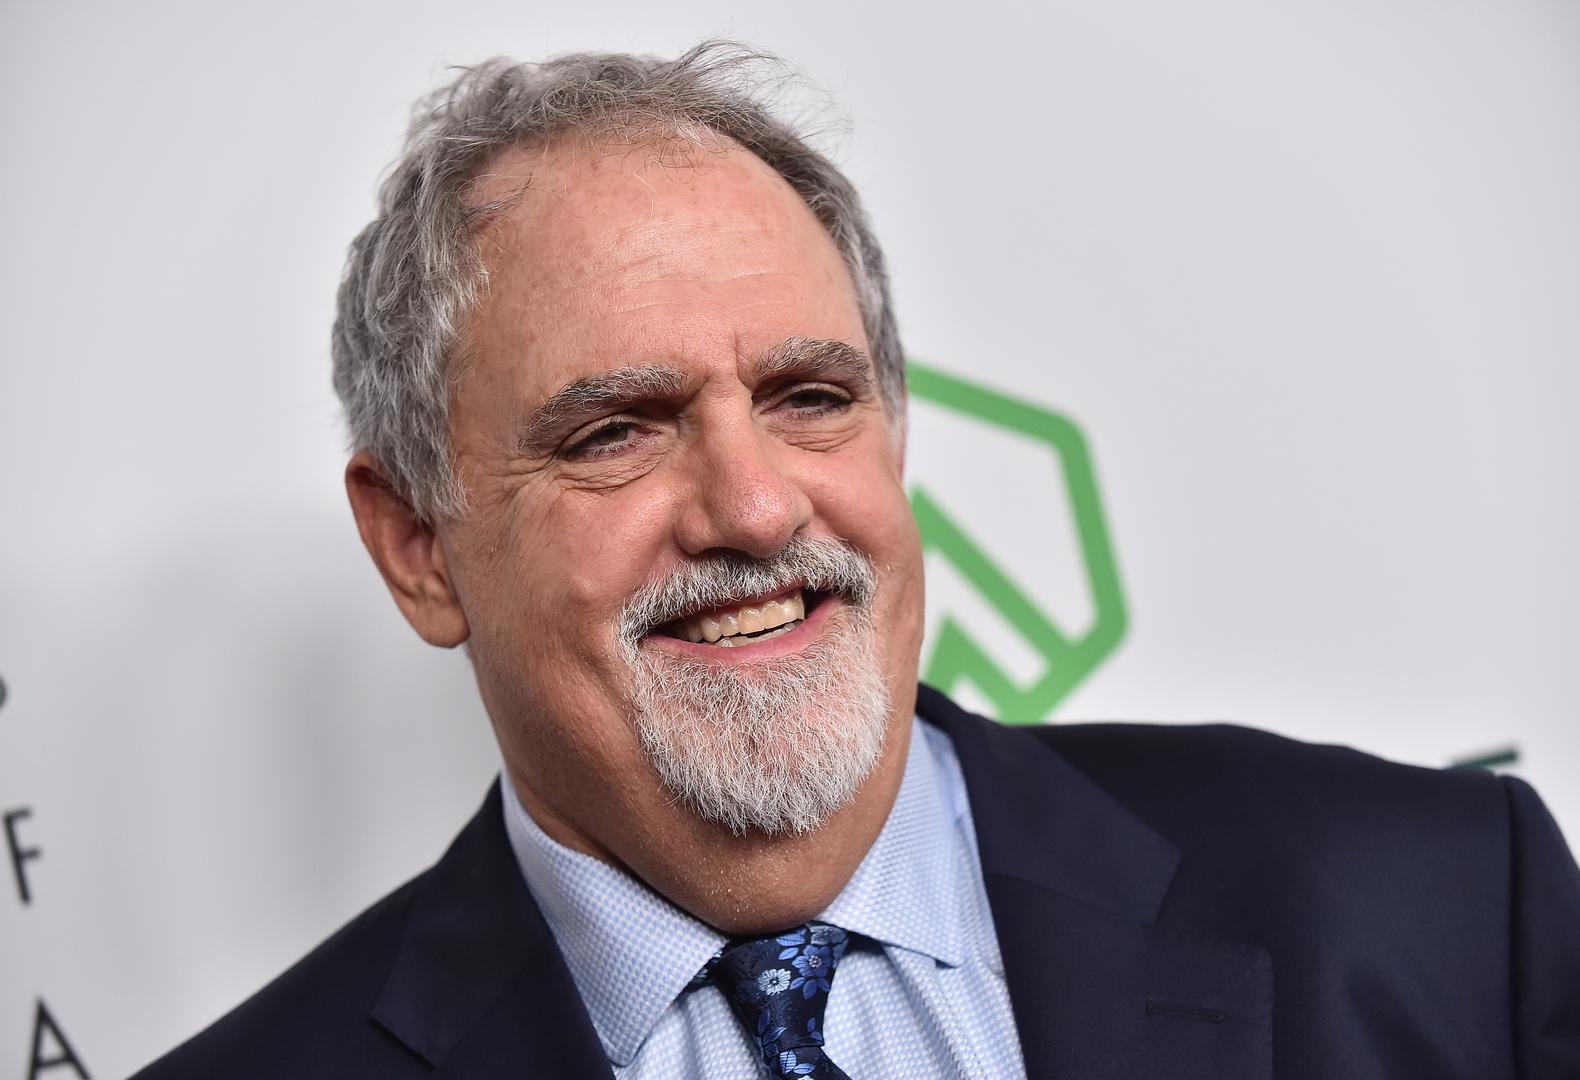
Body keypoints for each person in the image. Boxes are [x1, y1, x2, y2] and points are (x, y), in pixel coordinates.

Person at [134, 42, 1579, 1080]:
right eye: (619, 432)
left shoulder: (1439, 911)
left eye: (809, 398)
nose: (756, 510)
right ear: (416, 546)